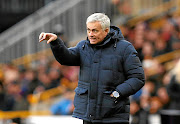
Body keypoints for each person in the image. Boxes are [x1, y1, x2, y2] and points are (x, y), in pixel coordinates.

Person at [39, 13, 145, 124]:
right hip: (89, 115)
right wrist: (56, 43)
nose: (90, 34)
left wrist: (117, 93)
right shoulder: (83, 46)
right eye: (88, 30)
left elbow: (138, 78)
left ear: (106, 30)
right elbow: (66, 58)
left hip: (114, 115)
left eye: (95, 30)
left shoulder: (124, 48)